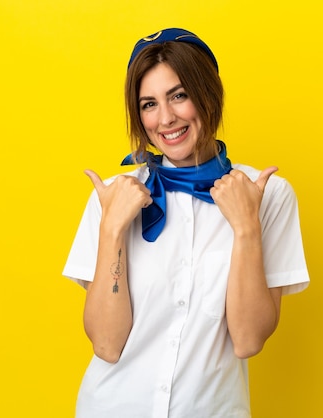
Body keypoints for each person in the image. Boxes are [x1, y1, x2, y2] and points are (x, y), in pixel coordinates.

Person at [63, 28, 309, 418]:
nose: (166, 118)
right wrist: (112, 230)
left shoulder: (267, 196)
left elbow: (248, 339)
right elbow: (107, 345)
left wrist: (246, 228)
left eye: (179, 95)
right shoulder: (113, 197)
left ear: (208, 94)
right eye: (148, 104)